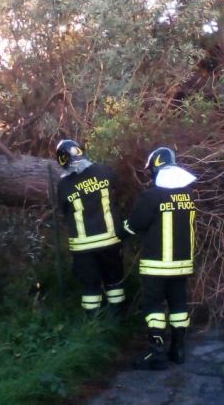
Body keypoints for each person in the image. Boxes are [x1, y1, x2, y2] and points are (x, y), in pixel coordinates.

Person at [122, 146, 198, 370]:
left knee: (154, 305)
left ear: (155, 168)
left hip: (156, 266)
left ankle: (156, 352)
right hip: (182, 264)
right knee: (178, 305)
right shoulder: (188, 193)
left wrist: (121, 233)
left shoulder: (151, 195)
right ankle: (178, 350)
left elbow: (135, 225)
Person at [55, 139, 126, 317]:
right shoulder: (104, 171)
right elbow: (118, 192)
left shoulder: (63, 185)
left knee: (90, 286)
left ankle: (93, 323)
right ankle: (117, 319)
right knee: (114, 281)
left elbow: (63, 209)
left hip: (83, 246)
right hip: (110, 240)